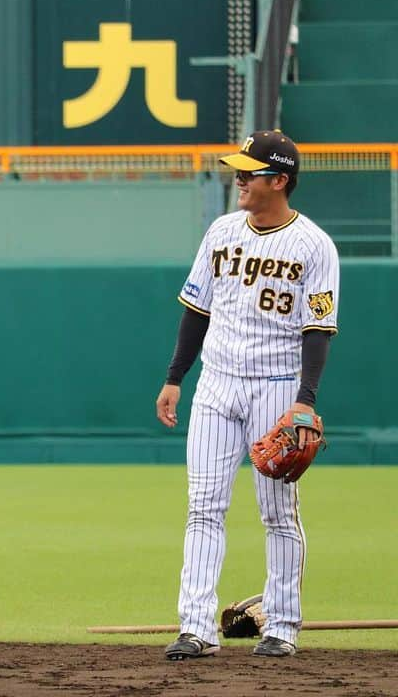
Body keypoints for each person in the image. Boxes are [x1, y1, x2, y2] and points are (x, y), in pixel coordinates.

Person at [156, 131, 339, 660]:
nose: (238, 178)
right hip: (216, 382)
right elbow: (197, 310)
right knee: (203, 506)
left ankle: (281, 625)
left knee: (278, 510)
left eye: (249, 172)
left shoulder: (313, 245)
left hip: (278, 386)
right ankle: (196, 627)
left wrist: (305, 400)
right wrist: (175, 377)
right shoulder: (220, 231)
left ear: (279, 181)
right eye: (238, 169)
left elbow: (318, 327)